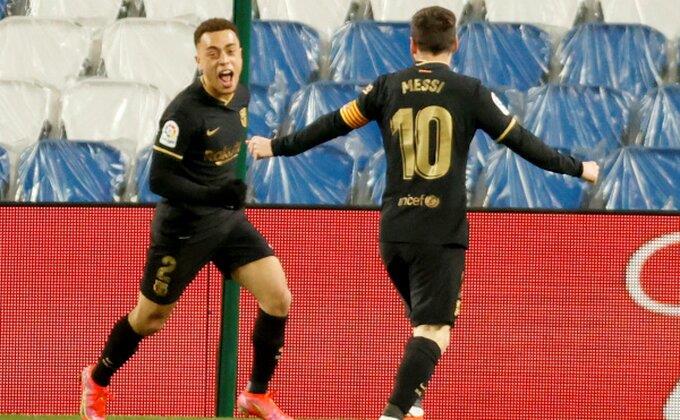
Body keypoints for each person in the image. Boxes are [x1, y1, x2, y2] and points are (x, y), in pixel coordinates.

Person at [247, 6, 599, 420]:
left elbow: (331, 125)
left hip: (394, 233)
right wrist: (578, 167)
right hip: (440, 232)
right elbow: (521, 141)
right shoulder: (469, 92)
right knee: (435, 331)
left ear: (412, 46)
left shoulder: (386, 88)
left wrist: (277, 146)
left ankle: (411, 402)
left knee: (422, 324)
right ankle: (393, 413)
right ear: (456, 44)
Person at [80, 18, 294, 420]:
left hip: (226, 222)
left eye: (230, 51)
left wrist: (223, 196)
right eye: (213, 54)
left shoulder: (241, 95)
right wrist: (215, 194)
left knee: (278, 297)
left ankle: (256, 394)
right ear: (199, 60)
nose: (223, 61)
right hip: (182, 230)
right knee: (150, 319)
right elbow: (158, 180)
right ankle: (97, 379)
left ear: (241, 55)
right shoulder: (183, 113)